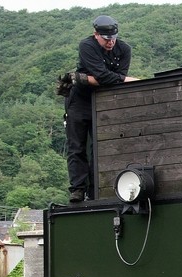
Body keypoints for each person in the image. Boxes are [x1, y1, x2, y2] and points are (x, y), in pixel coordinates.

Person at [65, 15, 139, 203]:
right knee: (77, 146)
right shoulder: (87, 46)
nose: (110, 43)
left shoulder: (124, 49)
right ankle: (77, 189)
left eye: (113, 38)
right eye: (106, 39)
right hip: (80, 101)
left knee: (101, 147)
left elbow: (112, 79)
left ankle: (96, 190)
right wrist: (125, 80)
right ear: (96, 34)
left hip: (105, 101)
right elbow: (106, 77)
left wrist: (94, 78)